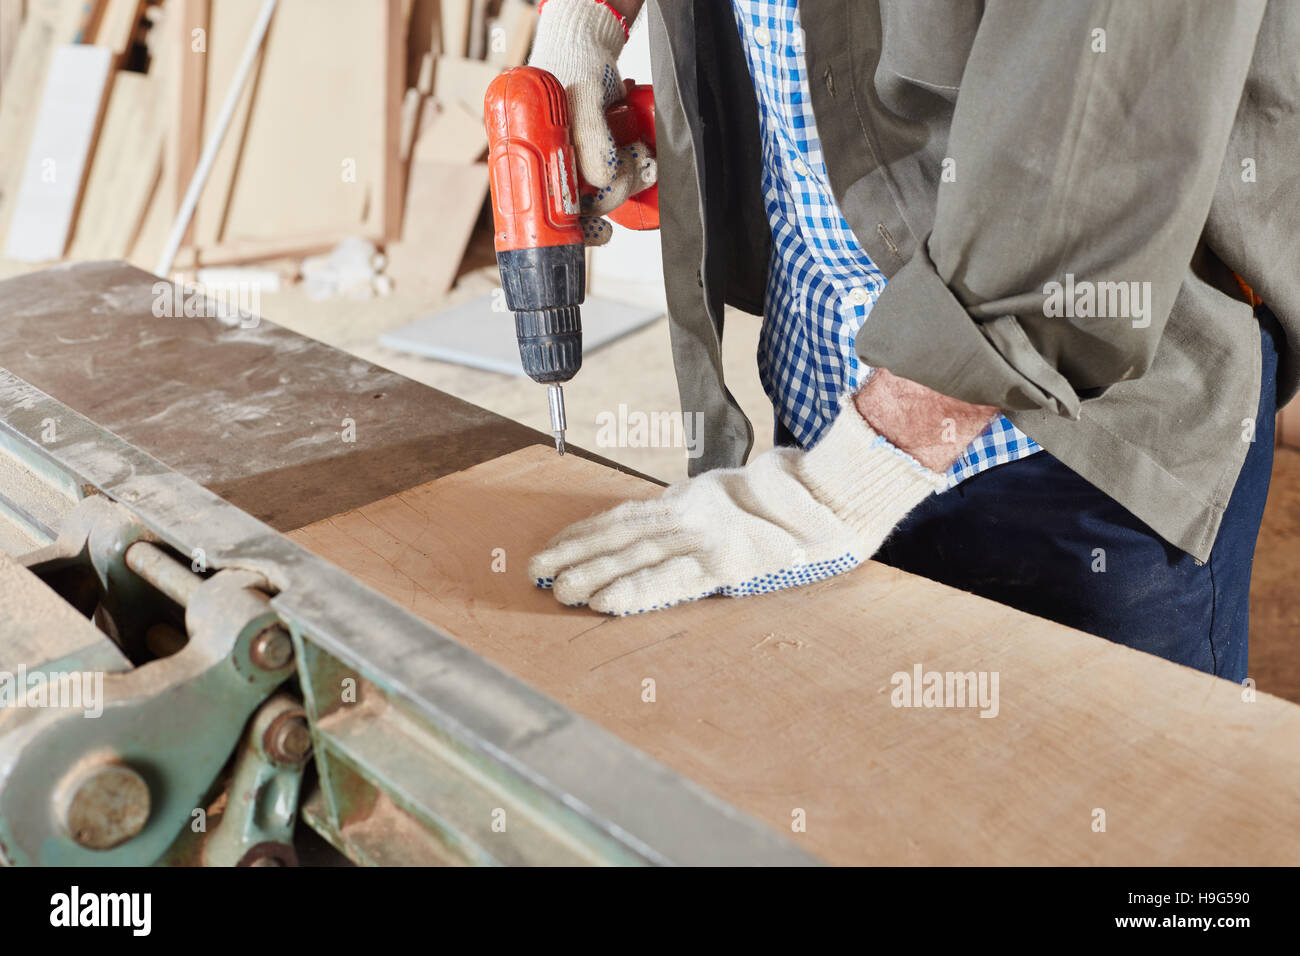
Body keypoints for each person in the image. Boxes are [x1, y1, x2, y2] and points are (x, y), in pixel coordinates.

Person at [524, 0, 1298, 683]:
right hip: (827, 380)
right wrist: (589, 17)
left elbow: (1100, 130)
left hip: (1069, 440)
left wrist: (855, 478)